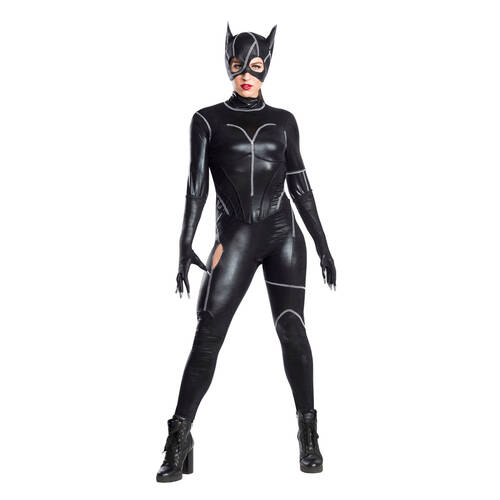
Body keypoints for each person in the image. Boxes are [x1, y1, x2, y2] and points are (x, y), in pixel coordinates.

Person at [156, 23, 336, 482]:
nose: (246, 76)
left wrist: (322, 243)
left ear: (267, 66)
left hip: (282, 234)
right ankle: (179, 438)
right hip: (234, 235)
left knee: (292, 329)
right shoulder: (206, 120)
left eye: (255, 67)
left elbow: (301, 186)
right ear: (227, 65)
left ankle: (309, 434)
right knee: (208, 332)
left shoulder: (284, 121)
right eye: (238, 66)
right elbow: (196, 188)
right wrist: (184, 243)